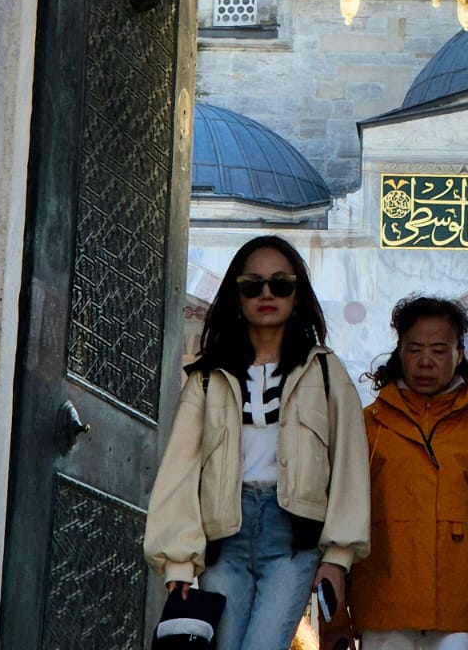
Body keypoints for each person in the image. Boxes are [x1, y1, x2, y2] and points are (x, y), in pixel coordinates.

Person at [144, 235, 370, 650]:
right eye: (253, 286)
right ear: (237, 296)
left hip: (292, 540)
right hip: (223, 538)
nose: (267, 295)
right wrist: (178, 559)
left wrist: (338, 557)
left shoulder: (325, 371)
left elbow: (350, 467)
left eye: (280, 284)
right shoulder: (207, 378)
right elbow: (180, 470)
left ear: (297, 296)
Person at [348, 295, 468, 650]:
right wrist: (335, 617)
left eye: (439, 350)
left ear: (459, 353)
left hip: (459, 609)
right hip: (383, 607)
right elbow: (343, 522)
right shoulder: (369, 425)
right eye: (415, 349)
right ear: (399, 351)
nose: (425, 361)